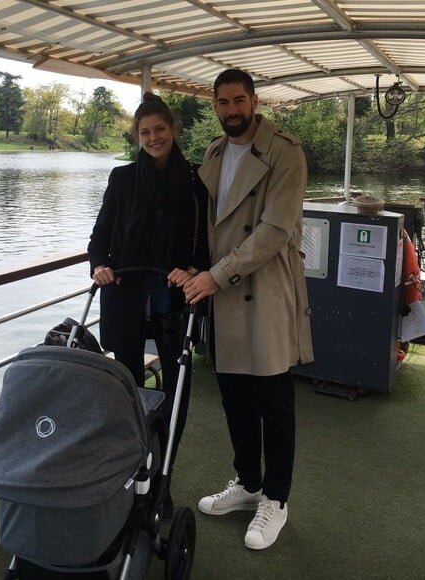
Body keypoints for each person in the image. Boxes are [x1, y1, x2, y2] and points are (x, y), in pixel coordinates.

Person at [182, 69, 314, 550]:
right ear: (214, 104)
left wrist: (214, 276)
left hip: (266, 290)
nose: (231, 111)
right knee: (235, 395)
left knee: (274, 401)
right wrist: (191, 266)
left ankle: (276, 500)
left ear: (255, 101)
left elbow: (275, 230)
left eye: (239, 101)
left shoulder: (286, 151)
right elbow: (207, 225)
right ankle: (248, 484)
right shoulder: (215, 153)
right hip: (223, 289)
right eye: (223, 102)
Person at [87, 92, 209, 482]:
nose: (153, 138)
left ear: (173, 129)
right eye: (145, 132)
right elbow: (100, 236)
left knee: (177, 384)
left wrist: (191, 267)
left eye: (159, 129)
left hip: (172, 299)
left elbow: (206, 243)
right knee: (126, 383)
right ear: (137, 137)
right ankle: (130, 461)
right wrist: (99, 265)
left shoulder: (195, 180)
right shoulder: (121, 179)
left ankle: (166, 461)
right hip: (126, 295)